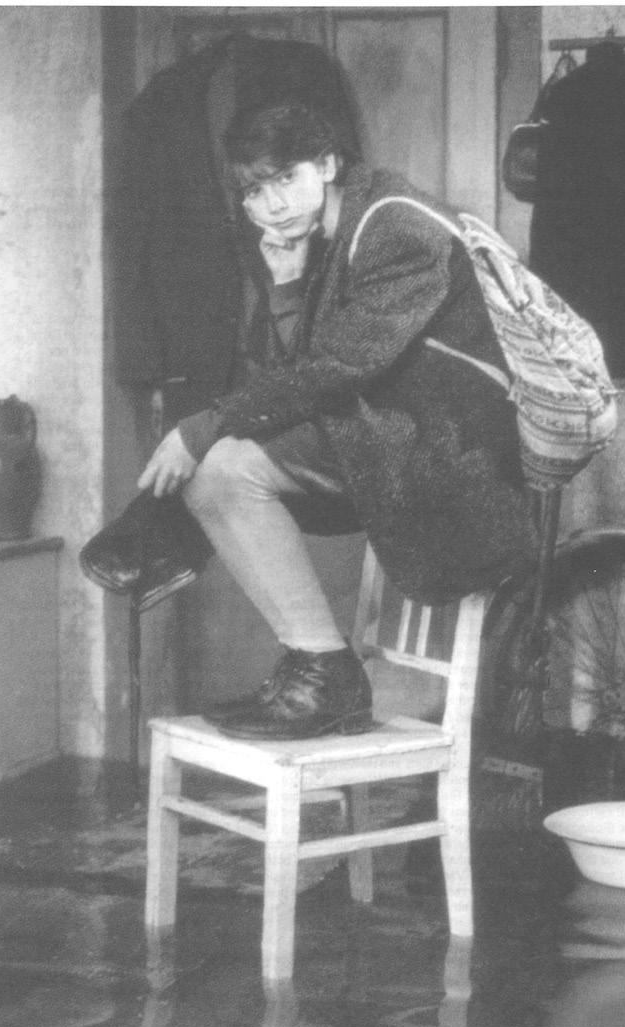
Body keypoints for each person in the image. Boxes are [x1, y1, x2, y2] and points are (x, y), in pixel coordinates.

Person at [135, 99, 536, 741]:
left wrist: (202, 427)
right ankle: (312, 665)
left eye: (285, 178)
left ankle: (326, 672)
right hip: (398, 430)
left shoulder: (395, 225)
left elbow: (337, 368)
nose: (272, 205)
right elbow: (298, 373)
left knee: (223, 468)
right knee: (217, 468)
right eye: (254, 192)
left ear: (326, 165)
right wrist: (286, 285)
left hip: (456, 454)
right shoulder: (330, 232)